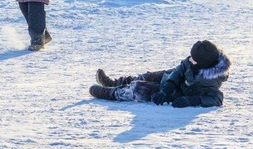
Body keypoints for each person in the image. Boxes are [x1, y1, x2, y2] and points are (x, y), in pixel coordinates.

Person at [89, 40, 231, 107]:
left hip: (176, 94)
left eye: (193, 59)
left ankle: (110, 93)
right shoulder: (191, 61)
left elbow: (217, 99)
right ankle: (113, 83)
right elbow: (180, 69)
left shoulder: (210, 82)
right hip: (169, 81)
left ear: (202, 65)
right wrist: (167, 87)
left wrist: (190, 100)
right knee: (145, 77)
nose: (189, 59)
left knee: (139, 89)